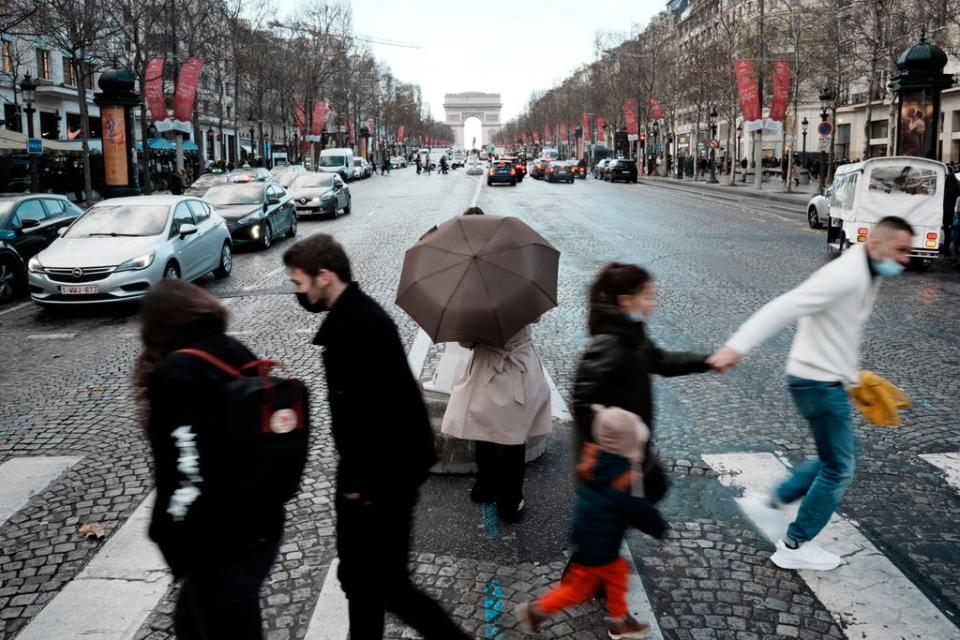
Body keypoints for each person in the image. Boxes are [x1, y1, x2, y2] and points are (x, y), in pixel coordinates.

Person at [283, 234, 471, 640]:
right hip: (385, 474)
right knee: (363, 582)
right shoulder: (356, 319)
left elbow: (367, 419)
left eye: (299, 283)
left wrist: (357, 487)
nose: (297, 292)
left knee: (385, 585)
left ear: (324, 276)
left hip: (380, 480)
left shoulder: (355, 327)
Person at [707, 216, 915, 571]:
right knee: (840, 467)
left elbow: (838, 330)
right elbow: (786, 306)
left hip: (823, 379)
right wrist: (736, 346)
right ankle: (795, 543)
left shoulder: (866, 271)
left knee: (838, 455)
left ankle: (774, 499)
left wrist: (852, 378)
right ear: (876, 243)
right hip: (817, 383)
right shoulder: (844, 275)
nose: (906, 258)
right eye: (901, 249)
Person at [134, 280, 282, 640]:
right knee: (190, 622)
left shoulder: (176, 374)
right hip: (261, 523)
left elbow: (185, 470)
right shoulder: (233, 350)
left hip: (218, 543)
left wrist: (167, 535)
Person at [513, 406, 666, 639]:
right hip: (598, 548)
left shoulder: (596, 461)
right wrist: (659, 527)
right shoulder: (623, 478)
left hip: (590, 537)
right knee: (576, 591)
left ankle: (619, 620)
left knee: (617, 574)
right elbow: (640, 511)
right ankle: (535, 612)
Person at [573, 263, 712, 499]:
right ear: (626, 301)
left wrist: (707, 361)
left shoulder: (630, 333)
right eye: (648, 296)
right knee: (616, 520)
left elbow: (660, 361)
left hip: (631, 454)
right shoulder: (611, 343)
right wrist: (609, 444)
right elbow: (582, 400)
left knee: (653, 491)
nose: (653, 303)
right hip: (615, 461)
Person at [441, 321, 552, 522]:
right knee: (515, 439)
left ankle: (485, 486)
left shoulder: (473, 303)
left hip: (487, 370)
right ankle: (510, 502)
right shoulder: (522, 293)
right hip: (521, 369)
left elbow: (464, 342)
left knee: (484, 430)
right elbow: (535, 317)